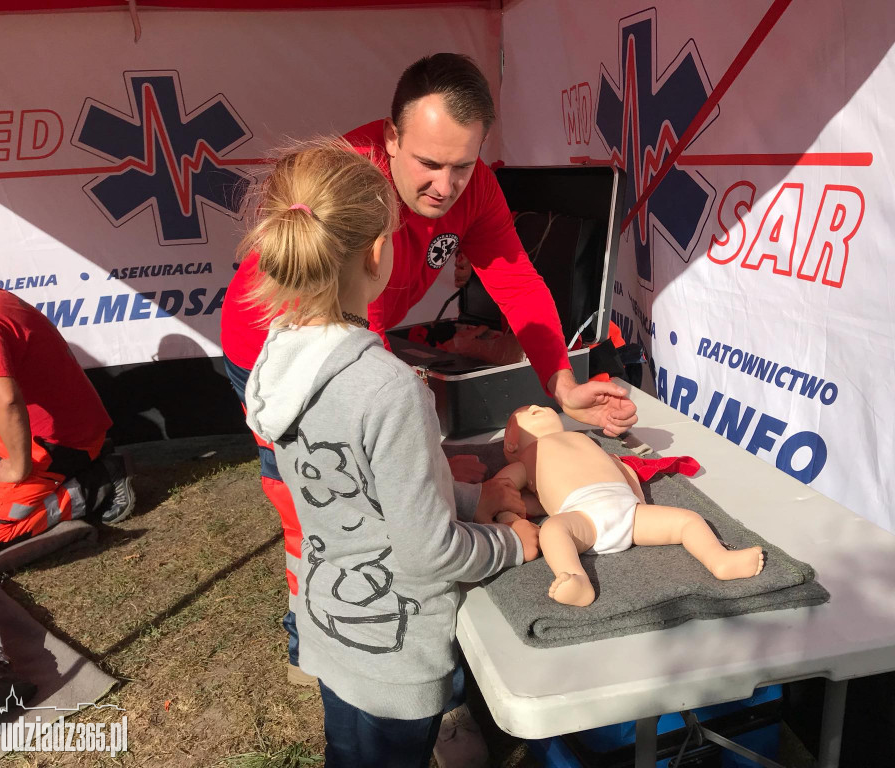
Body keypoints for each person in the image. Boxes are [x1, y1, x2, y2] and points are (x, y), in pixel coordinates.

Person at [219, 52, 636, 763]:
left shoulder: (467, 188)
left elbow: (515, 276)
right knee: (315, 501)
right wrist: (429, 462)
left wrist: (560, 382)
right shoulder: (355, 197)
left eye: (464, 167)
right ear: (387, 140)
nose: (445, 187)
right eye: (427, 165)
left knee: (362, 502)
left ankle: (338, 644)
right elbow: (365, 356)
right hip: (271, 349)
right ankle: (334, 647)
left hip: (355, 351)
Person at [241, 138, 541, 768]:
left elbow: (359, 492)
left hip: (330, 629)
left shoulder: (277, 362)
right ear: (378, 252)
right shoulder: (390, 388)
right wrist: (513, 544)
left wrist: (471, 496)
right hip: (396, 656)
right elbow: (431, 552)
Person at [489, 405, 765, 607]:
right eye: (526, 412)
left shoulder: (585, 438)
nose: (536, 405)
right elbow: (501, 490)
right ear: (511, 444)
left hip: (628, 508)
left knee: (688, 520)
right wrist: (510, 516)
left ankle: (720, 560)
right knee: (552, 530)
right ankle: (575, 578)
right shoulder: (525, 458)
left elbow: (622, 468)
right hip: (582, 518)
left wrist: (639, 505)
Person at [0, 254, 135, 551]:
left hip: (61, 440)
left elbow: (5, 398)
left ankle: (101, 480)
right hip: (44, 432)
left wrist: (18, 468)